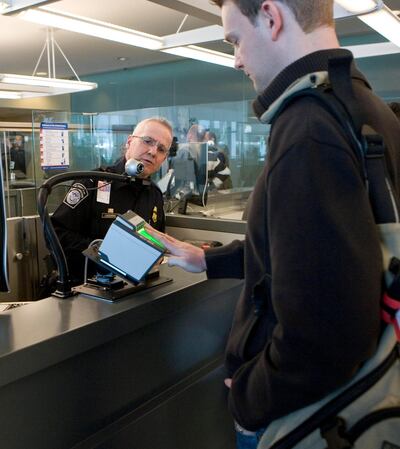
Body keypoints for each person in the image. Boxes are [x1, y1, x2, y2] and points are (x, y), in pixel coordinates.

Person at [146, 1, 400, 448]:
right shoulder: (364, 108)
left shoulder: (306, 129)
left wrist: (249, 399)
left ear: (270, 15)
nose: (238, 59)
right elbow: (323, 254)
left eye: (236, 39)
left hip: (307, 416)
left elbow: (324, 335)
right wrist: (206, 260)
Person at [51, 117, 173, 285]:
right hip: (86, 288)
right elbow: (55, 233)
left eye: (161, 149)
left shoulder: (154, 195)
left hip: (135, 289)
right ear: (130, 142)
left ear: (164, 159)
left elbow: (156, 242)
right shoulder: (93, 183)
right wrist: (104, 253)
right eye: (147, 141)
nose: (153, 151)